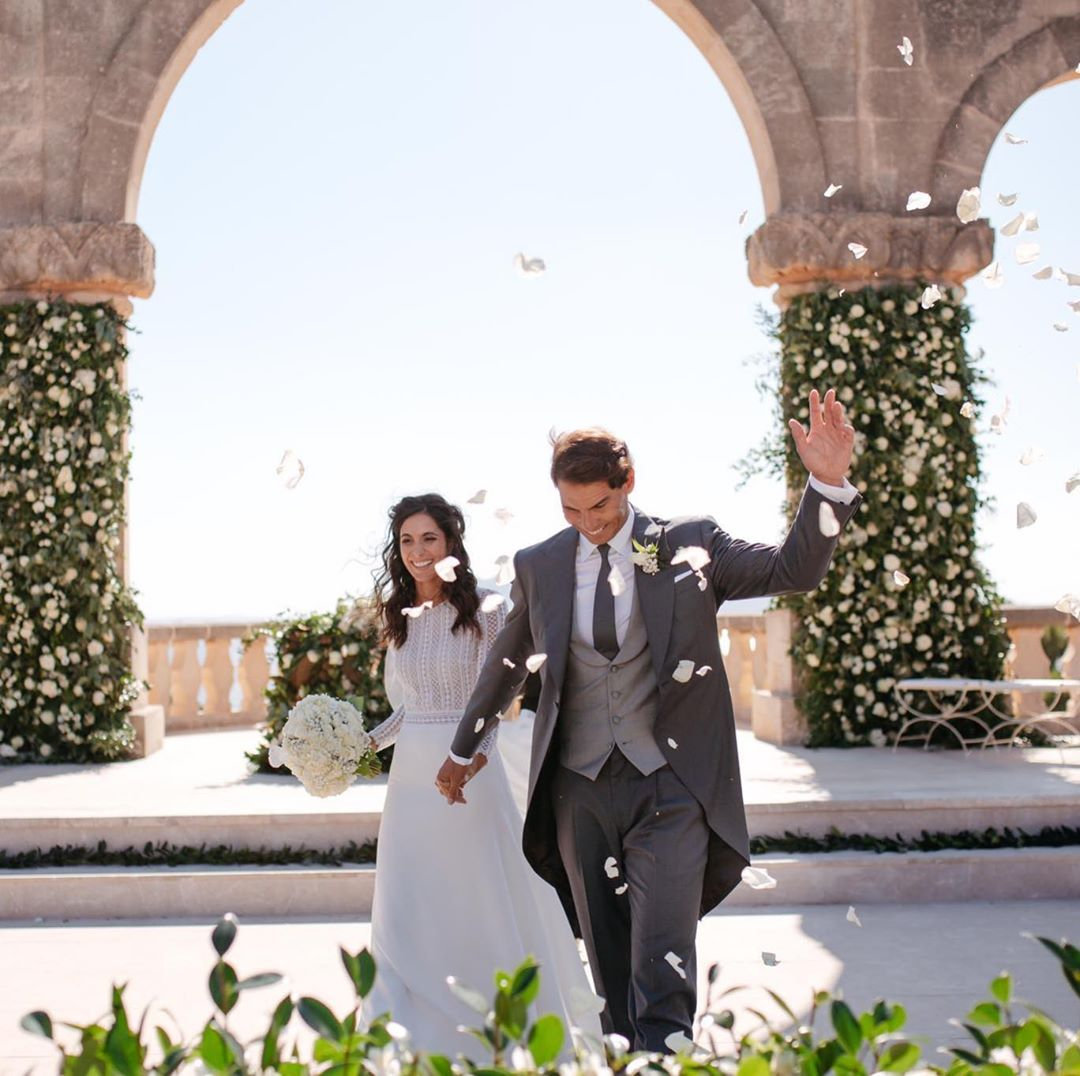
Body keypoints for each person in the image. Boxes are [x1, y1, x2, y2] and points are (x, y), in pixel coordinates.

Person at [437, 388, 860, 1051]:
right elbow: (510, 660)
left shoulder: (692, 544)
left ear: (628, 481)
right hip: (578, 789)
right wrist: (463, 750)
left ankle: (667, 1061)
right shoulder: (540, 564)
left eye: (600, 505)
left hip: (670, 786)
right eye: (572, 510)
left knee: (661, 956)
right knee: (607, 970)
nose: (590, 523)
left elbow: (793, 569)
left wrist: (827, 484)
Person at [364, 493, 601, 1053]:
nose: (418, 551)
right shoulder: (397, 615)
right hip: (410, 784)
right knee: (409, 899)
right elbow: (413, 708)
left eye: (429, 538)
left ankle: (494, 1026)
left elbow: (495, 699)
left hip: (468, 774)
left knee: (481, 895)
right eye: (407, 541)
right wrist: (358, 746)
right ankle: (413, 1036)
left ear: (451, 543)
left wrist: (471, 758)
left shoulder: (488, 611)